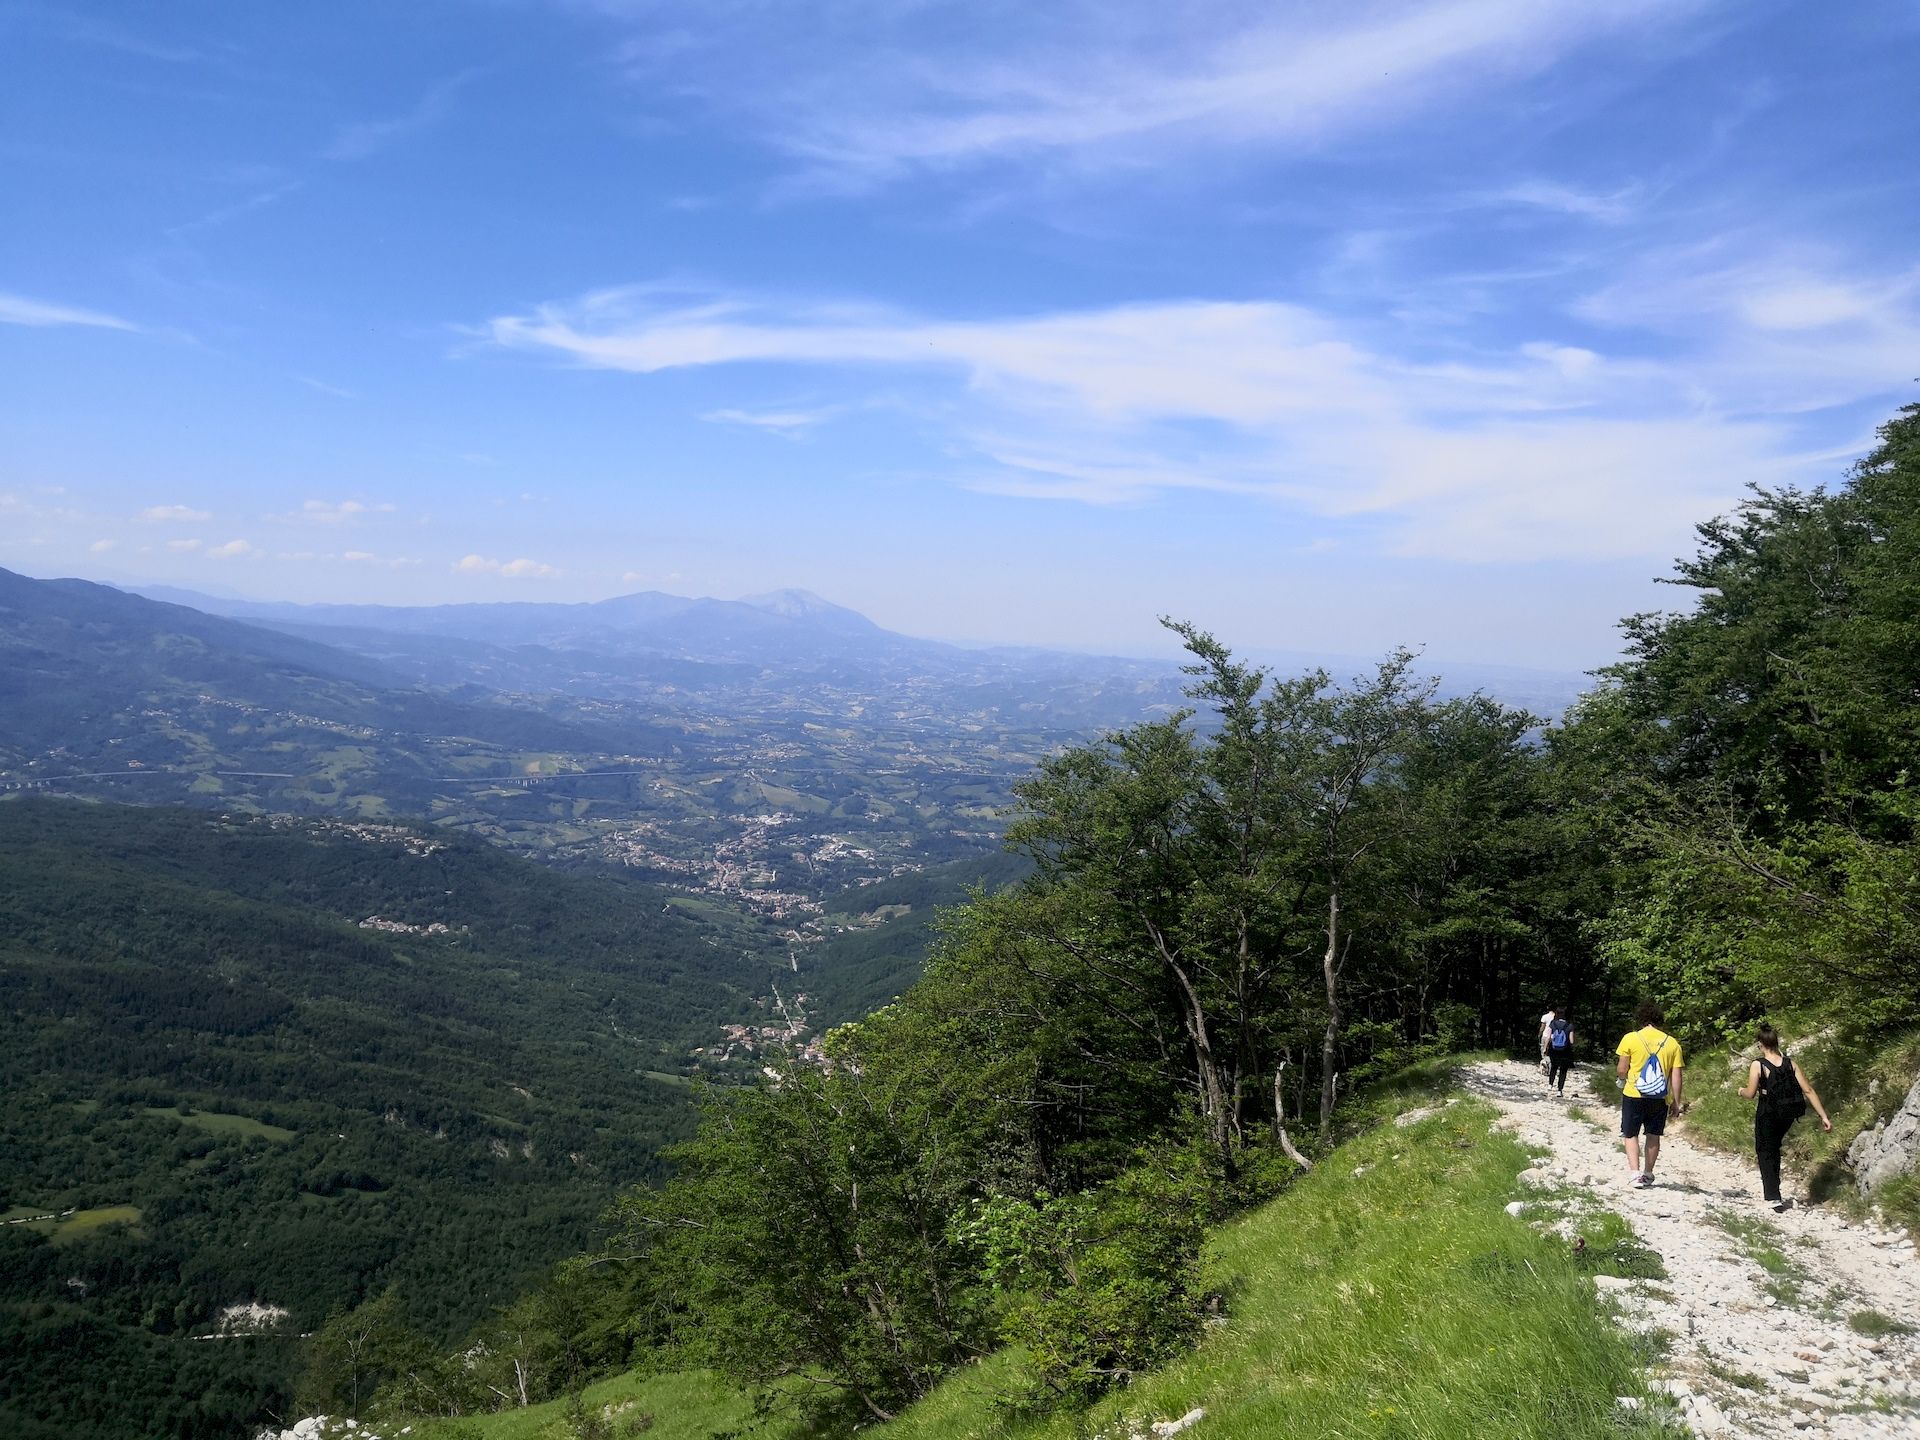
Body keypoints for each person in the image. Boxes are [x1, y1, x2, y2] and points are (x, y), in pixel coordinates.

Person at [1737, 1023, 1833, 1213]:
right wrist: (1824, 1116)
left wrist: (1739, 1091)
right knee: (1773, 1146)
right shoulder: (1791, 1064)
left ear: (1760, 1044)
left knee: (1765, 1150)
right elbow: (1808, 1090)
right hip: (1788, 1113)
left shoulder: (1758, 1064)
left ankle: (1773, 1197)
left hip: (1768, 1112)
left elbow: (1750, 1093)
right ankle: (1774, 1193)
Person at [1615, 1000, 1684, 1189]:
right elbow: (1676, 1075)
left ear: (1641, 1019)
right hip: (1659, 1097)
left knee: (1631, 1134)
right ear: (1659, 1020)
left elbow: (1622, 1068)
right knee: (1653, 1135)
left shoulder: (1630, 1038)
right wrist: (1676, 1102)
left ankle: (1635, 1173)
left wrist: (1622, 1079)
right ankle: (1648, 1173)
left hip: (1633, 1094)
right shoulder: (1672, 1043)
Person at [1545, 1008, 1575, 1094]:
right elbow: (1571, 1041)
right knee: (1563, 1070)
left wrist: (1545, 1048)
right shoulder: (1570, 1025)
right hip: (1565, 1051)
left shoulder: (1553, 1023)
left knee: (1554, 1067)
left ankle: (1550, 1085)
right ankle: (1559, 1090)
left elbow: (1548, 1037)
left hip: (1554, 1049)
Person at [1539, 1006, 1557, 1075]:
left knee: (1543, 1051)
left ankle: (1544, 1065)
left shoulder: (1545, 1016)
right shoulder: (1557, 1017)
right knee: (1550, 1052)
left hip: (1545, 1035)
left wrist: (1539, 1034)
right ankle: (1550, 1066)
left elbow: (1542, 1027)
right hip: (1554, 1037)